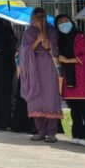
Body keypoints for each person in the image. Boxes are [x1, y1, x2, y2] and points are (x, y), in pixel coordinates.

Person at [55, 14, 85, 147]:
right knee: (74, 109)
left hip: (82, 77)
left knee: (84, 108)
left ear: (71, 22)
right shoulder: (61, 40)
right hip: (70, 77)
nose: (63, 24)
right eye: (60, 23)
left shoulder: (79, 36)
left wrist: (67, 60)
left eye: (66, 21)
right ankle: (77, 135)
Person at [20, 8, 62, 143]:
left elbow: (53, 49)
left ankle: (51, 133)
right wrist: (37, 40)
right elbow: (25, 52)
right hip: (33, 68)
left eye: (43, 16)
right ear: (33, 18)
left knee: (50, 97)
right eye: (37, 16)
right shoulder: (28, 32)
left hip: (48, 67)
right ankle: (40, 131)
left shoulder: (52, 30)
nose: (40, 18)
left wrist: (44, 35)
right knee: (36, 98)